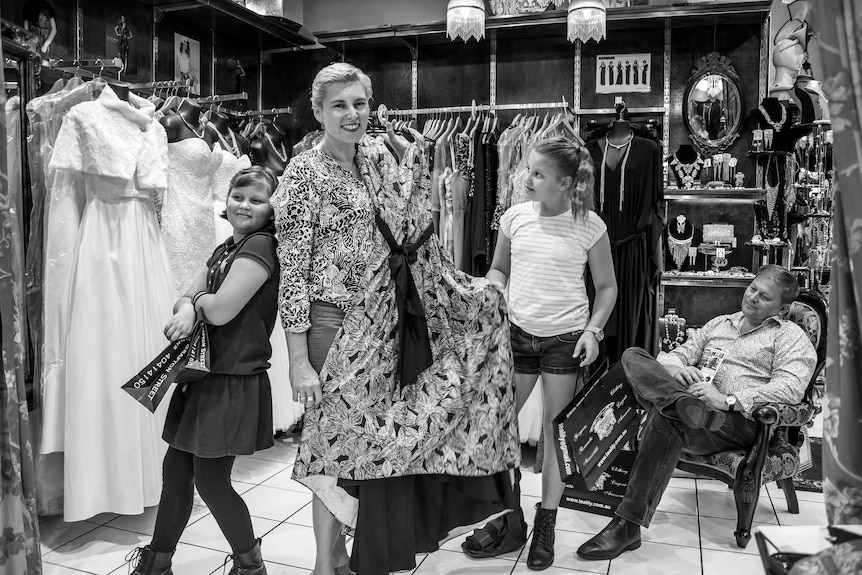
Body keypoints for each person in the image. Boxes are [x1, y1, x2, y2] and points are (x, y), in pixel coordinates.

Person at [273, 62, 520, 575]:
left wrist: (470, 295)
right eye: (339, 105)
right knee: (332, 446)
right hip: (332, 324)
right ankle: (326, 563)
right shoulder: (303, 174)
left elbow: (414, 237)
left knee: (368, 444)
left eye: (360, 103)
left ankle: (342, 555)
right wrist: (298, 360)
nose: (352, 114)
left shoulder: (379, 159)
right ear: (318, 112)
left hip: (386, 325)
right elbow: (293, 272)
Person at [577, 265, 817, 561]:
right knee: (633, 355)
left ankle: (627, 525)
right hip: (695, 409)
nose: (753, 297)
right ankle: (678, 403)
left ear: (782, 308)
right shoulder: (719, 324)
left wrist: (727, 400)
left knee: (666, 414)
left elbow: (791, 388)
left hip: (737, 423)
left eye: (764, 297)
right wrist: (677, 369)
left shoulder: (790, 336)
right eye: (752, 288)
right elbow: (673, 355)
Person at [461, 136, 618, 570]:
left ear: (566, 183)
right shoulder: (514, 218)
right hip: (516, 333)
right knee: (498, 426)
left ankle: (545, 524)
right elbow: (499, 269)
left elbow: (606, 287)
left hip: (566, 339)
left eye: (536, 173)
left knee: (553, 436)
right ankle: (508, 518)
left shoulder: (590, 226)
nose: (525, 179)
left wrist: (593, 331)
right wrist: (489, 287)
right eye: (527, 169)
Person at [127, 166, 280, 575]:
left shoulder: (261, 247)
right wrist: (190, 302)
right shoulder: (226, 248)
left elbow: (220, 308)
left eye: (257, 199)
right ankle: (157, 563)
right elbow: (188, 293)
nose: (244, 205)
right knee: (175, 471)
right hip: (203, 377)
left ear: (271, 209)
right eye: (238, 196)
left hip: (231, 381)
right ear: (225, 200)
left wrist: (195, 305)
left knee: (211, 481)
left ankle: (251, 565)